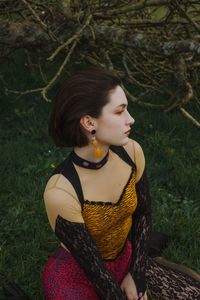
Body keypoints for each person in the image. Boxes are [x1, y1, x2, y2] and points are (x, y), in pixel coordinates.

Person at [42, 67, 200, 300]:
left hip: (125, 258)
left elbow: (144, 214)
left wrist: (137, 276)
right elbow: (94, 269)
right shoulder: (61, 192)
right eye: (120, 112)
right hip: (79, 275)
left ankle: (148, 259)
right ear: (88, 122)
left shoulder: (131, 152)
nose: (131, 119)